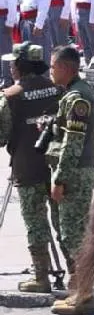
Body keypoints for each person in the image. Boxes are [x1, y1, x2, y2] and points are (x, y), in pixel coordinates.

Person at [0, 42, 61, 294]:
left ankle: (41, 276)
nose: (10, 67)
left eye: (13, 63)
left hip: (27, 167)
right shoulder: (58, 90)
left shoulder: (11, 96)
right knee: (63, 223)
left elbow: (2, 136)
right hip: (57, 168)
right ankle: (79, 273)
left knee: (35, 222)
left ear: (21, 66)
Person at [46, 45, 94, 315]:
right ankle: (79, 287)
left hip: (75, 173)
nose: (51, 71)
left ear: (66, 68)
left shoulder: (78, 97)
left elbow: (73, 143)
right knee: (70, 232)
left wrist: (61, 178)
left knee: (74, 235)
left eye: (53, 66)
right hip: (75, 172)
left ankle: (85, 294)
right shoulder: (73, 93)